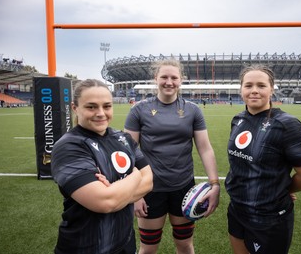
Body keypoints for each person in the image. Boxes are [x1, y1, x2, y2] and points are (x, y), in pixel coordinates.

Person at [124, 59, 220, 254]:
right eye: (164, 77)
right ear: (155, 79)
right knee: (148, 247)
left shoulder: (193, 110)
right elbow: (128, 152)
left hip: (183, 188)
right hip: (149, 188)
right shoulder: (138, 110)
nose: (169, 82)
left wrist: (214, 184)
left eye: (174, 77)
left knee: (185, 245)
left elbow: (205, 148)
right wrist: (134, 193)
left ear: (181, 80)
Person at [225, 64, 301, 254]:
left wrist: (282, 190)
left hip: (269, 218)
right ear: (241, 89)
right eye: (248, 85)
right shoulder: (238, 119)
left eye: (261, 85)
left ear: (272, 89)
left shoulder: (287, 125)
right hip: (237, 209)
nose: (254, 91)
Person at [51, 79, 153, 254]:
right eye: (91, 107)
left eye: (107, 106)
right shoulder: (69, 147)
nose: (100, 113)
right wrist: (135, 176)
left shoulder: (123, 139)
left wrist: (114, 191)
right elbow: (105, 202)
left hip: (125, 243)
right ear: (75, 108)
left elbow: (149, 182)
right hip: (84, 247)